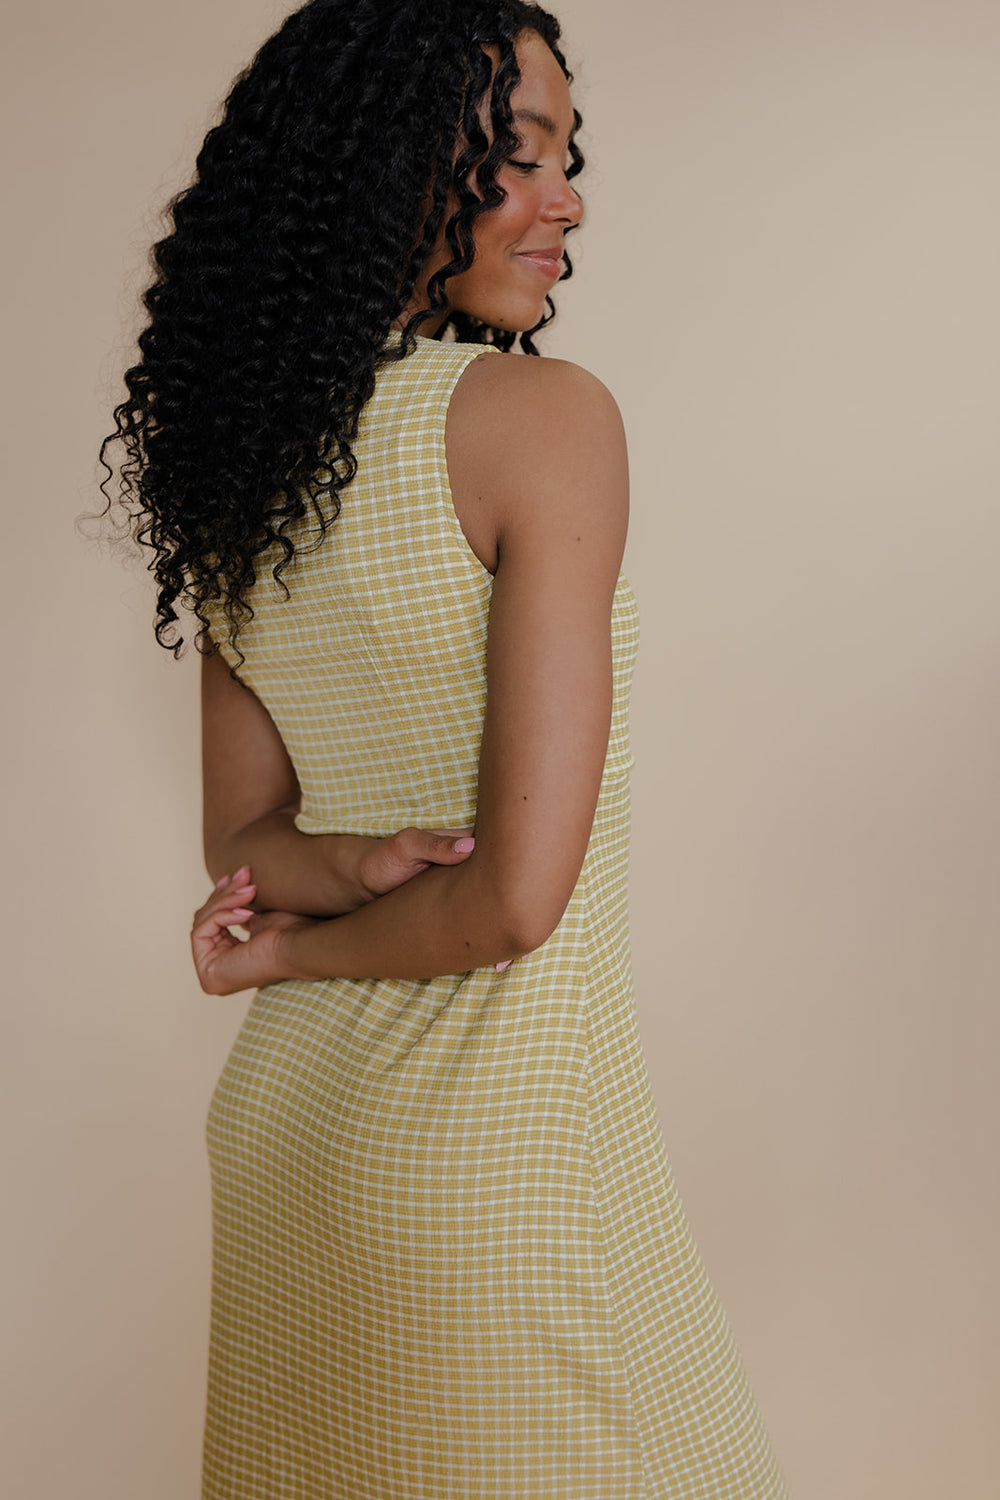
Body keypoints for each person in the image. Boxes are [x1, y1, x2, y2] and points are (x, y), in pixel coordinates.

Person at [103, 1, 788, 1494]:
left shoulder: (247, 466)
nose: (567, 200)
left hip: (286, 1142)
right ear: (394, 178)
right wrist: (279, 951)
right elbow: (510, 903)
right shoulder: (539, 419)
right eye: (519, 158)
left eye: (567, 157)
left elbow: (249, 841)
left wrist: (336, 871)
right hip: (494, 1162)